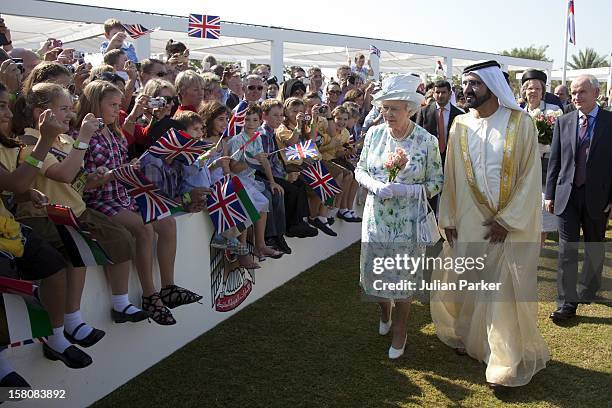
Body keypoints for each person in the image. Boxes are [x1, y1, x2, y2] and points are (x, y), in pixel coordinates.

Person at [432, 60, 549, 389]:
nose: (466, 90)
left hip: (507, 225)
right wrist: (449, 218)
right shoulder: (460, 126)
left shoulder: (520, 123)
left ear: (493, 86)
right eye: (465, 84)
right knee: (472, 283)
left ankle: (504, 362)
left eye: (474, 84)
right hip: (469, 221)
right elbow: (452, 176)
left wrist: (508, 220)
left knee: (502, 292)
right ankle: (476, 342)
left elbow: (530, 178)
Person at [0, 83, 92, 378]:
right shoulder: (30, 141)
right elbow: (15, 182)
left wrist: (28, 195)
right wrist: (46, 140)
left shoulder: (7, 144)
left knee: (54, 265)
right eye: (0, 106)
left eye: (6, 105)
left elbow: (14, 188)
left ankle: (56, 337)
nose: (6, 111)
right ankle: (2, 364)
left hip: (6, 226)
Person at [355, 74, 443, 359]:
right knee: (377, 279)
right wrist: (375, 186)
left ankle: (401, 331)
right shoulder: (373, 134)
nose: (388, 114)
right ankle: (385, 312)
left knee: (404, 279)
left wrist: (407, 191)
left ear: (410, 109)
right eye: (384, 107)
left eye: (394, 108)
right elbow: (360, 170)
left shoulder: (426, 141)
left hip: (408, 222)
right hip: (376, 219)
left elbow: (436, 183)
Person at [545, 75, 612, 321]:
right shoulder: (564, 122)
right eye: (573, 93)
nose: (576, 97)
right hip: (567, 195)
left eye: (582, 92)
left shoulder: (609, 122)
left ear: (596, 93)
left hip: (598, 196)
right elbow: (555, 161)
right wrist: (550, 193)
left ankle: (590, 287)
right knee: (567, 249)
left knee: (594, 244)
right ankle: (566, 302)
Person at [521, 70, 562, 240]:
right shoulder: (518, 112)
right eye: (530, 88)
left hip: (546, 168)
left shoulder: (554, 111)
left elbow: (559, 142)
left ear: (543, 91)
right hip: (523, 170)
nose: (533, 92)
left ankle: (537, 251)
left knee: (543, 214)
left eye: (537, 88)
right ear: (524, 91)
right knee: (524, 212)